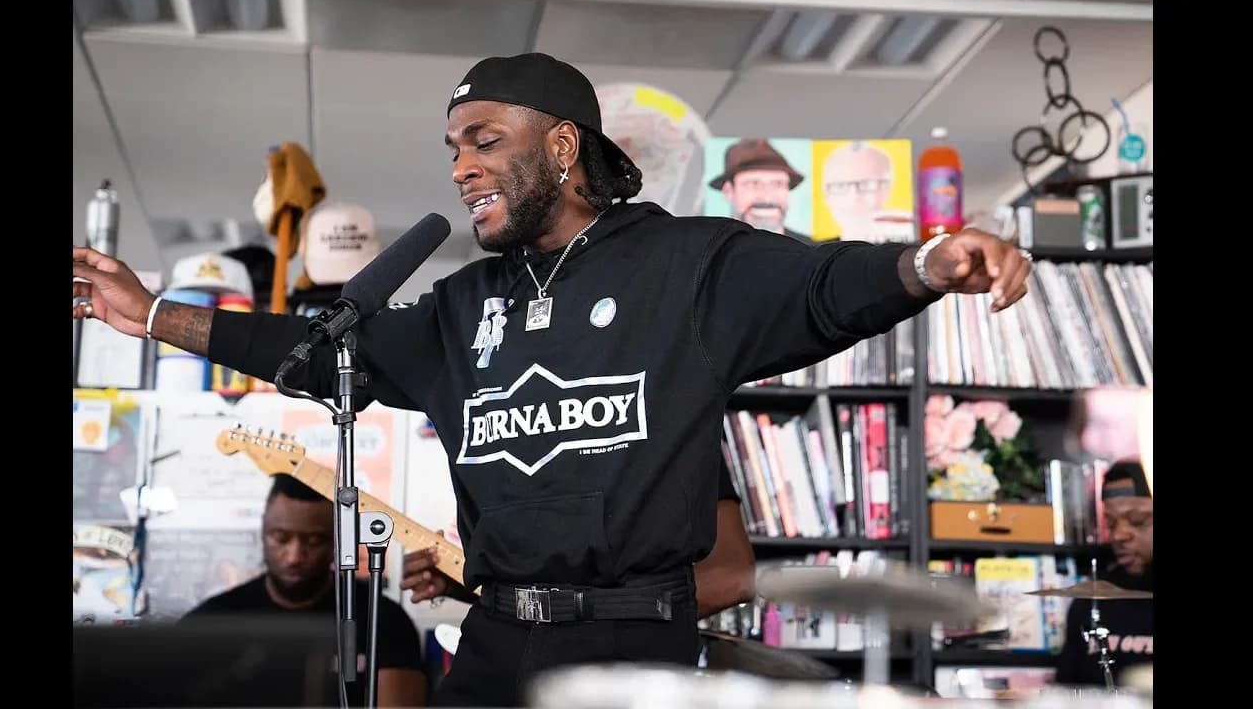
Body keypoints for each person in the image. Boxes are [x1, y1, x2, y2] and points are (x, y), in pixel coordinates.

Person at [73, 51, 1033, 707]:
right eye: (453, 147)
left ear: (564, 146)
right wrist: (150, 313)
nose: (460, 166)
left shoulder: (687, 266)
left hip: (634, 651)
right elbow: (316, 353)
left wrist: (930, 264)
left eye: (483, 139)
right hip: (492, 651)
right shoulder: (459, 309)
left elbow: (824, 285)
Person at [180, 475, 428, 708]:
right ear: (263, 534)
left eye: (313, 541)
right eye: (281, 538)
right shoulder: (210, 623)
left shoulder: (383, 620)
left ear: (336, 542)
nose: (294, 557)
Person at [402, 465, 756, 620]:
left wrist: (595, 615)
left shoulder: (681, 414)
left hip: (631, 672)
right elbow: (545, 584)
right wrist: (472, 583)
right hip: (522, 665)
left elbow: (733, 577)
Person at [1054, 460, 1154, 688]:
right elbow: (1066, 695)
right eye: (1111, 523)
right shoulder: (1091, 601)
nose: (1119, 535)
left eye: (1137, 521)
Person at [820, 140, 915, 243]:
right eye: (840, 186)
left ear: (887, 188)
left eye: (866, 184)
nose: (854, 197)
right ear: (826, 195)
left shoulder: (908, 236)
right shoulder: (815, 252)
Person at [708, 138, 805, 238]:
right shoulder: (706, 252)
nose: (767, 197)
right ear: (728, 191)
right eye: (753, 184)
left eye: (777, 184)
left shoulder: (811, 251)